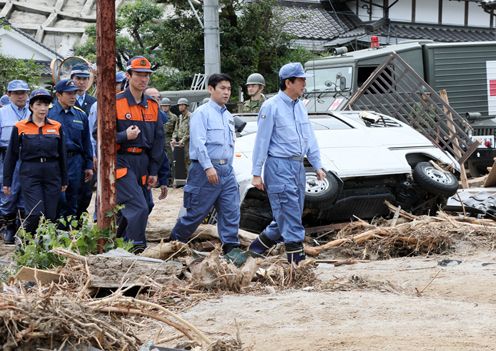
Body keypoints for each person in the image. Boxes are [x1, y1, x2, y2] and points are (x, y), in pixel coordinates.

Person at [248, 62, 326, 265]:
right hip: (279, 166)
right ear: (288, 82)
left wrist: (317, 165)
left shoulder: (300, 106)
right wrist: (256, 173)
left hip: (297, 166)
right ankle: (297, 265)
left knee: (288, 214)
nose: (304, 83)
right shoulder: (271, 106)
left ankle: (256, 248)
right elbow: (262, 141)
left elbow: (309, 137)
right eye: (301, 80)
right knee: (289, 214)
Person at [170, 73, 245, 265]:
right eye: (222, 88)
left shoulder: (228, 116)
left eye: (228, 89)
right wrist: (208, 167)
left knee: (230, 210)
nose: (226, 92)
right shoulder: (202, 113)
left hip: (226, 171)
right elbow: (199, 143)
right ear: (211, 89)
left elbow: (229, 145)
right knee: (196, 212)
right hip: (205, 171)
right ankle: (174, 243)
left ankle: (231, 248)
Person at [114, 56, 164, 252]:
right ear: (128, 75)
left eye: (147, 75)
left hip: (142, 162)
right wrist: (123, 135)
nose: (143, 79)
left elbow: (159, 141)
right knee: (138, 207)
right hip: (121, 160)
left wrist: (154, 171)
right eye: (139, 75)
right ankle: (136, 248)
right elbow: (100, 135)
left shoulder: (152, 105)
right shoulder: (115, 102)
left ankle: (120, 243)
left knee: (147, 206)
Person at [3, 89, 67, 235]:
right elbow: (11, 156)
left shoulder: (56, 126)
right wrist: (7, 182)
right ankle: (24, 240)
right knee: (35, 213)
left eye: (46, 104)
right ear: (31, 106)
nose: (43, 108)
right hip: (30, 173)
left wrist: (64, 179)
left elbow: (62, 154)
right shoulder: (20, 126)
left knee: (50, 215)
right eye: (39, 104)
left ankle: (44, 247)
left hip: (52, 173)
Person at [48, 79, 93, 220]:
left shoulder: (81, 115)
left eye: (74, 93)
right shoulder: (49, 114)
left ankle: (71, 231)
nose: (73, 96)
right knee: (56, 197)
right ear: (59, 95)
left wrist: (89, 165)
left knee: (74, 196)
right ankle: (55, 229)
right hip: (55, 160)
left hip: (75, 161)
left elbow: (87, 142)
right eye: (69, 94)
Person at [0, 80, 30, 244]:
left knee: (26, 192)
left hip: (28, 157)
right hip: (6, 156)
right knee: (8, 193)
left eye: (23, 92)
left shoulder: (32, 112)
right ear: (9, 94)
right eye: (17, 93)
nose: (20, 96)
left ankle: (21, 228)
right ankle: (9, 226)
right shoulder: (2, 113)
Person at [143, 87, 170, 202]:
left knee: (148, 205)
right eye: (152, 98)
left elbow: (160, 150)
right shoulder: (138, 116)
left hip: (151, 166)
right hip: (136, 163)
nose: (155, 101)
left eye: (158, 98)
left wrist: (164, 180)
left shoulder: (160, 117)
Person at [161, 97, 178, 184]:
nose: (165, 108)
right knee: (159, 160)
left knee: (171, 161)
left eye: (166, 106)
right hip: (159, 140)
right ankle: (161, 180)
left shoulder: (174, 117)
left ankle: (171, 180)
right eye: (163, 106)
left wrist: (173, 138)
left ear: (169, 106)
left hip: (169, 140)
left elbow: (176, 129)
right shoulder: (158, 115)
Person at [171, 97, 192, 169]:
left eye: (182, 105)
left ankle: (189, 179)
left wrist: (182, 140)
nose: (180, 107)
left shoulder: (191, 116)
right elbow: (176, 129)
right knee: (181, 161)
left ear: (186, 106)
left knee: (188, 161)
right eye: (179, 105)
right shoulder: (179, 117)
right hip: (180, 142)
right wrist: (173, 138)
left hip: (188, 142)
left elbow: (190, 131)